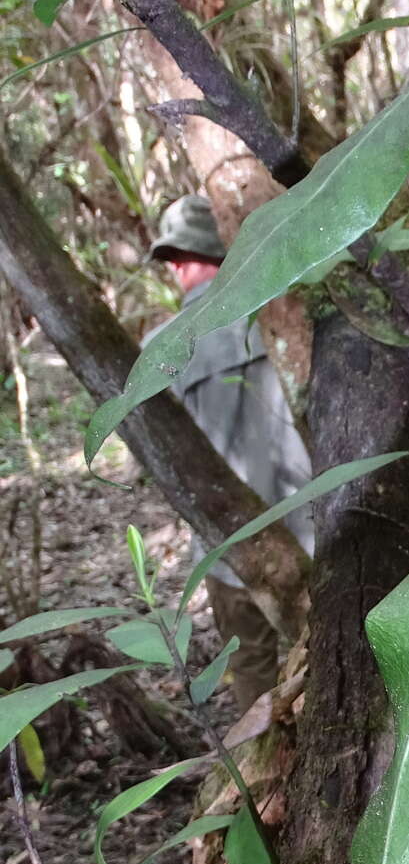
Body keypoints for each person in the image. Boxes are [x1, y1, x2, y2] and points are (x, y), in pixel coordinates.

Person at [146, 195, 312, 712]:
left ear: (176, 262)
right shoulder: (283, 309)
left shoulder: (159, 350)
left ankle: (260, 783)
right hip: (308, 532)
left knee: (253, 677)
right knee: (334, 667)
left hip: (226, 550)